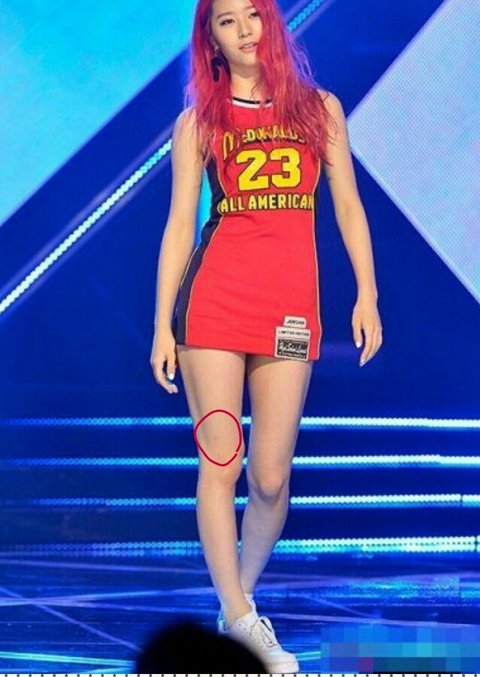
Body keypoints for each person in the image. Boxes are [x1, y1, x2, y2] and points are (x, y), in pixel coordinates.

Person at [150, 0, 383, 671]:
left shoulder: (319, 109)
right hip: (214, 307)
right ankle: (244, 616)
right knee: (220, 463)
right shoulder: (199, 121)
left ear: (271, 22)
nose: (244, 29)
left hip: (288, 311)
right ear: (211, 41)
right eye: (227, 21)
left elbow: (347, 204)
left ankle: (237, 604)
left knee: (272, 477)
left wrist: (367, 293)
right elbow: (179, 225)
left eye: (252, 14)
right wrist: (162, 323)